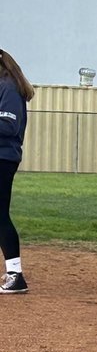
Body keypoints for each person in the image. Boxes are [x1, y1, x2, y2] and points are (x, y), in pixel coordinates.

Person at [0, 49, 34, 295]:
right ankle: (14, 273)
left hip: (3, 158)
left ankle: (16, 275)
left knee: (1, 215)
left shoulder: (8, 86)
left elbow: (9, 125)